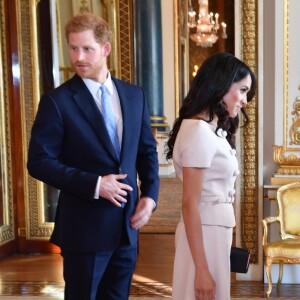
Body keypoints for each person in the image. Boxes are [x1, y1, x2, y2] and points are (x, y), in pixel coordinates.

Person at [27, 13, 159, 300]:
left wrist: (150, 196)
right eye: (73, 48)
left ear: (105, 49)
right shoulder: (57, 101)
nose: (78, 57)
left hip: (127, 228)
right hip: (83, 231)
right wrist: (96, 184)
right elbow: (38, 162)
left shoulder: (134, 95)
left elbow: (146, 151)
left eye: (87, 49)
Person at [166, 52, 256, 300]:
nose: (245, 101)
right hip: (205, 232)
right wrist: (202, 270)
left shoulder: (207, 129)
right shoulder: (199, 132)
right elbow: (190, 204)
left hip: (212, 231)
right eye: (243, 90)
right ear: (222, 85)